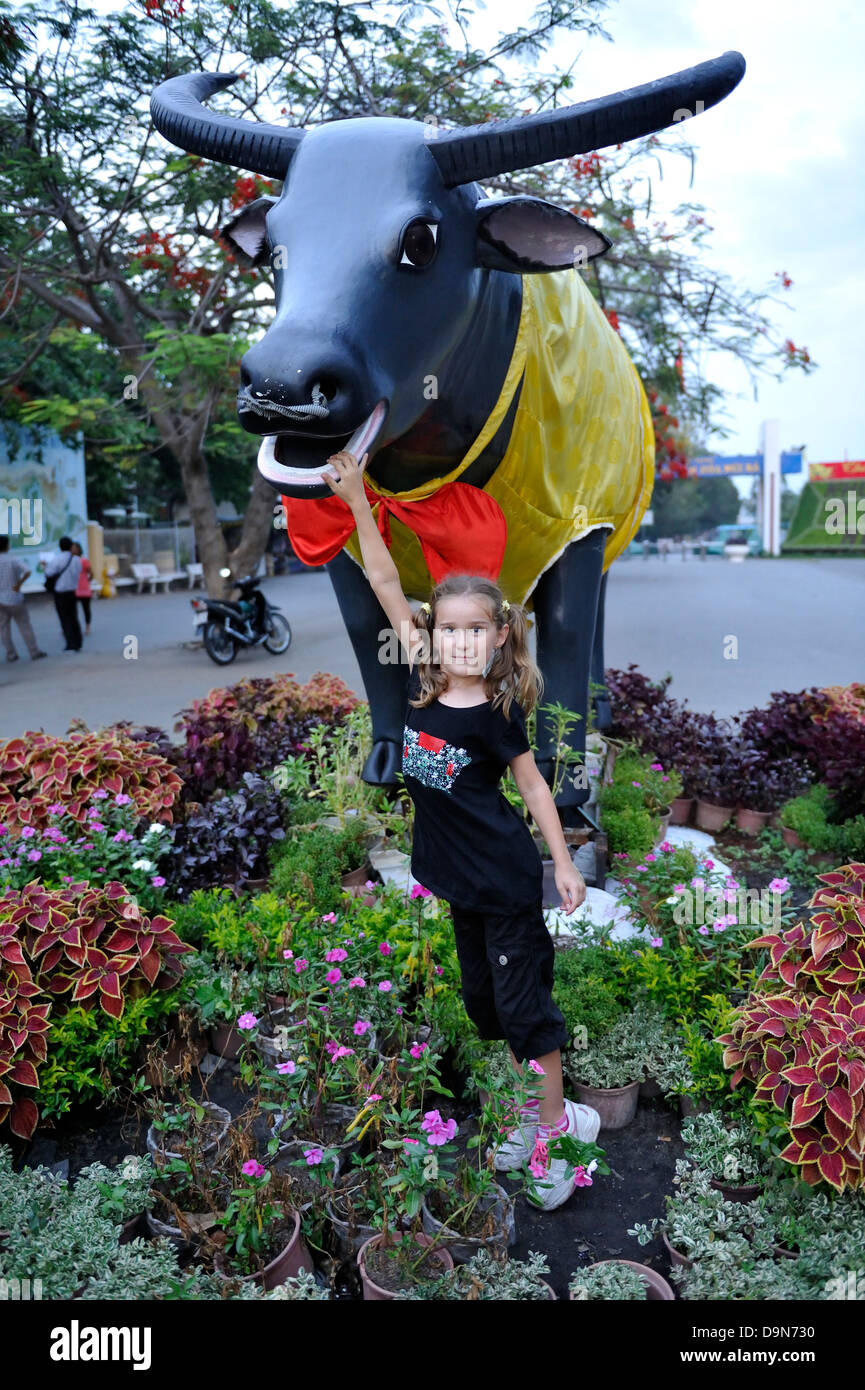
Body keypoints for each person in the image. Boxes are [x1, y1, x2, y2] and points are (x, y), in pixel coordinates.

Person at [323, 447, 601, 1212]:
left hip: (506, 882)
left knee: (524, 1012)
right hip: (457, 884)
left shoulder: (496, 712)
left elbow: (534, 785)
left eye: (475, 631)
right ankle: (533, 1110)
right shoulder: (421, 679)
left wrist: (564, 865)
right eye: (448, 629)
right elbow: (384, 580)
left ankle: (558, 1132)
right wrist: (353, 498)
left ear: (499, 638)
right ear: (433, 635)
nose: (459, 642)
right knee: (485, 1011)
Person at [0, 535, 47, 662]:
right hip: (15, 597)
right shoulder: (13, 560)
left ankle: (11, 654)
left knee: (3, 627)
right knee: (24, 625)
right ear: (8, 545)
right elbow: (27, 571)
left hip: (1, 599)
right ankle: (34, 651)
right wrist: (19, 584)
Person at [43, 536, 83, 652]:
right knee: (74, 617)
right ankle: (78, 642)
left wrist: (45, 566)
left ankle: (70, 643)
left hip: (60, 593)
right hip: (72, 592)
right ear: (71, 546)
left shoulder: (57, 559)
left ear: (60, 547)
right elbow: (78, 573)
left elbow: (48, 573)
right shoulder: (76, 560)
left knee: (64, 618)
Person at [71, 542, 93, 636]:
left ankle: (87, 626)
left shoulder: (84, 561)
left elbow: (91, 573)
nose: (73, 550)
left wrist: (87, 581)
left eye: (75, 548)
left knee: (86, 609)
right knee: (72, 610)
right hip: (73, 588)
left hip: (83, 588)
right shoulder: (70, 560)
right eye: (72, 548)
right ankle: (72, 627)